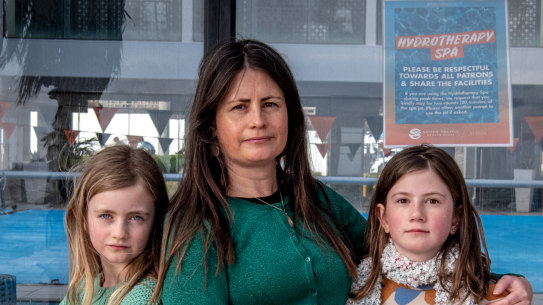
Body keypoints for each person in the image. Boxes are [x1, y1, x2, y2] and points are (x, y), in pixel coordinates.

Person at [155, 39, 532, 305]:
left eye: (271, 104)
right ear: (211, 128)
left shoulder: (314, 200)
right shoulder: (194, 225)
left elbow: (406, 252)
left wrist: (499, 284)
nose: (258, 120)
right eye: (239, 107)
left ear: (290, 116)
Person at [346, 144, 532, 305]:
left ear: (455, 219)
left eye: (432, 201)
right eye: (403, 200)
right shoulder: (349, 286)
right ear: (383, 217)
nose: (417, 214)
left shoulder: (496, 297)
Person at [61, 145, 168, 305]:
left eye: (136, 218)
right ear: (83, 218)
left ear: (156, 221)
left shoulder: (143, 298)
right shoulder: (84, 289)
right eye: (106, 215)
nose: (119, 233)